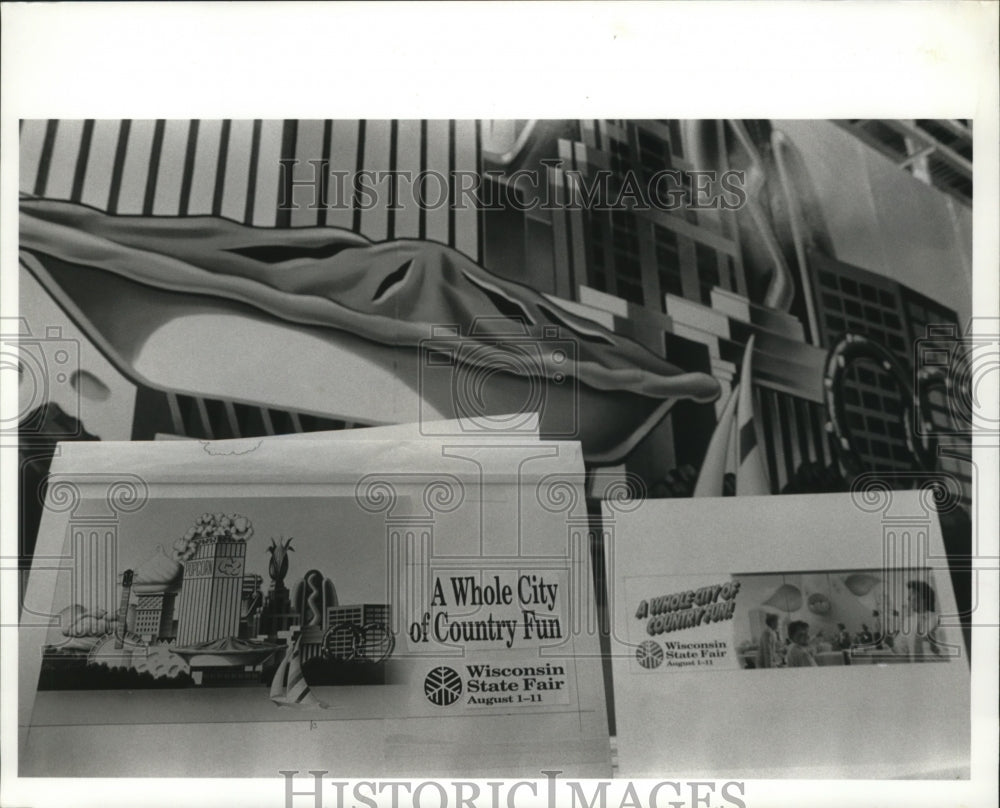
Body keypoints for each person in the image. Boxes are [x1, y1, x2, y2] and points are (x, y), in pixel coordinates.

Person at [907, 579, 947, 661]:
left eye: (912, 595)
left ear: (924, 598)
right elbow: (900, 649)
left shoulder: (939, 621)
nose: (909, 599)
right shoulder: (908, 622)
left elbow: (947, 654)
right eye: (909, 597)